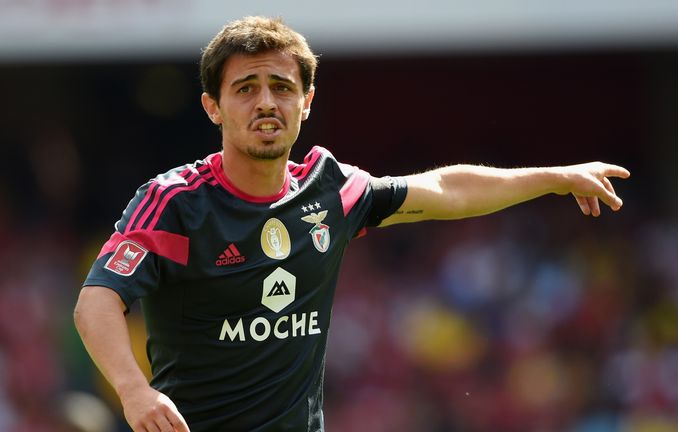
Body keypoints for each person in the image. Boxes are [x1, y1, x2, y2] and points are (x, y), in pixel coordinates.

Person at [73, 15, 630, 432]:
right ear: (213, 107)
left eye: (282, 87)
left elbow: (444, 189)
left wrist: (555, 175)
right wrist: (133, 390)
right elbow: (97, 299)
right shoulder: (174, 201)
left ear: (306, 101)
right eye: (245, 89)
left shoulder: (331, 189)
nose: (266, 102)